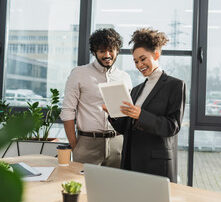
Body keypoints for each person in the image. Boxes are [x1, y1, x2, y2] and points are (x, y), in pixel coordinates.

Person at [103, 28, 186, 182]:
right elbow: (125, 128)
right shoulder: (135, 90)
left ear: (156, 54)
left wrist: (141, 115)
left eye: (143, 59)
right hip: (131, 160)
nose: (139, 64)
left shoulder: (175, 85)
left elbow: (172, 126)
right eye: (135, 61)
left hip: (156, 163)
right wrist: (113, 113)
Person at [60, 28, 132, 168]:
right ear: (94, 52)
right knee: (83, 187)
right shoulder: (79, 74)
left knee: (115, 188)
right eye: (102, 51)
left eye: (111, 50)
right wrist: (75, 146)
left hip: (118, 143)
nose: (107, 55)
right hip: (87, 143)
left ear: (117, 51)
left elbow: (128, 113)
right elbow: (67, 111)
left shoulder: (125, 77)